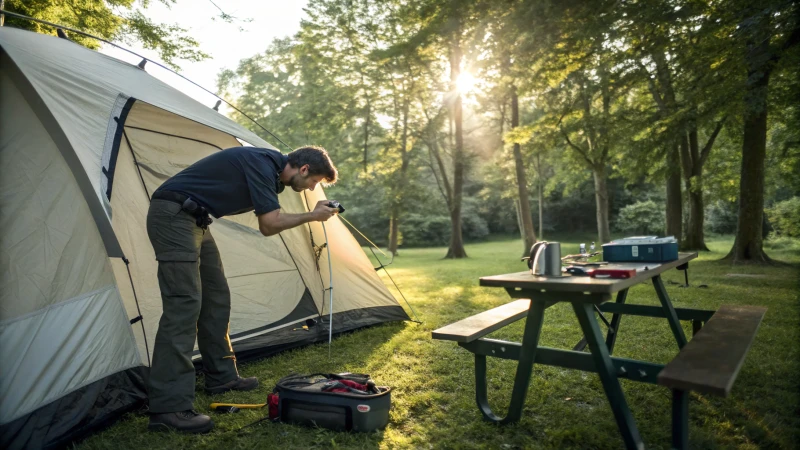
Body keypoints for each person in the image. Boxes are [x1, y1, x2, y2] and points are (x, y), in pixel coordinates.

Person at [145, 145, 339, 433]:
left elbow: (269, 220)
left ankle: (221, 376)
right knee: (183, 305)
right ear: (304, 169)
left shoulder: (272, 173)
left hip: (196, 220)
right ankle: (168, 408)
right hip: (173, 215)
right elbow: (269, 224)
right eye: (314, 181)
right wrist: (312, 216)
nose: (311, 188)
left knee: (216, 297)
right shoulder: (261, 163)